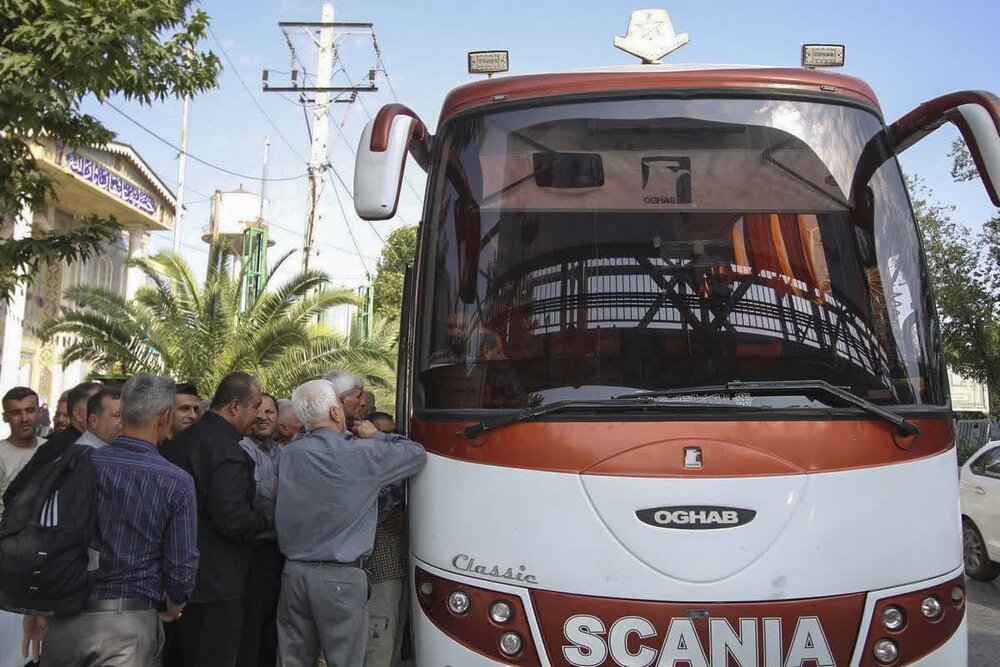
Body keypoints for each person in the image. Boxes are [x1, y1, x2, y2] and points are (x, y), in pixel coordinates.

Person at [21, 373, 198, 667]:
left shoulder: (76, 465)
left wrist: (35, 607)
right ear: (164, 417)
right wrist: (175, 602)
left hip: (64, 619)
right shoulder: (176, 482)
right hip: (127, 626)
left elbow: (44, 540)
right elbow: (181, 566)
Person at [275, 380, 427, 667]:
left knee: (291, 659)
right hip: (340, 579)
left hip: (294, 574)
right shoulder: (360, 454)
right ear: (335, 413)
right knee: (345, 660)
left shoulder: (290, 454)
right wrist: (375, 436)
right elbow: (416, 454)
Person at [162, 372, 267, 667]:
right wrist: (265, 522)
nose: (258, 414)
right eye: (255, 405)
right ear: (235, 406)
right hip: (216, 587)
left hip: (176, 581)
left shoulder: (180, 442)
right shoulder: (226, 452)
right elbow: (232, 519)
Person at [237, 393, 282, 667]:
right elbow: (255, 496)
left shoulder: (285, 452)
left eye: (270, 411)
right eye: (258, 410)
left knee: (272, 631)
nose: (263, 417)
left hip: (282, 552)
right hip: (253, 552)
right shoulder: (240, 449)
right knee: (251, 630)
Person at [0, 387, 45, 506]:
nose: (24, 419)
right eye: (16, 413)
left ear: (39, 412)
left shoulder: (52, 449)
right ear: (5, 417)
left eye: (30, 411)